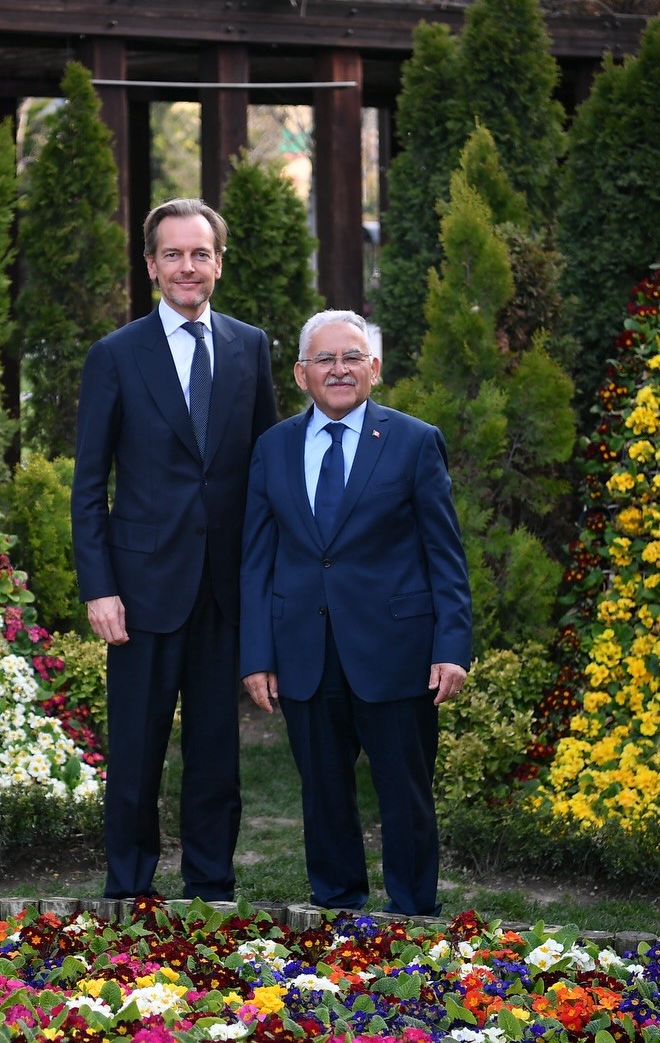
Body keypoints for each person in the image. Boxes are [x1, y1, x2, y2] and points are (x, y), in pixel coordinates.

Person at [72, 197, 279, 901]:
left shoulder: (250, 347)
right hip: (140, 591)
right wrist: (99, 587)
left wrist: (264, 587)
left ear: (219, 262)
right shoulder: (116, 355)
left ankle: (211, 886)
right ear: (152, 265)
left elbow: (266, 469)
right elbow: (89, 482)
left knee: (217, 756)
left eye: (200, 253)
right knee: (135, 753)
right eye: (173, 254)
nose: (187, 267)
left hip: (222, 591)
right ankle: (128, 889)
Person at [239, 308, 473, 916]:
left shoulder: (415, 441)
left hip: (396, 650)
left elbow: (443, 553)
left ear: (374, 368)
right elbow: (257, 560)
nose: (339, 370)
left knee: (405, 791)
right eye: (325, 359)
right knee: (323, 793)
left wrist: (452, 645)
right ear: (300, 374)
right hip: (304, 651)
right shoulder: (273, 448)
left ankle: (413, 911)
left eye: (352, 358)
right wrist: (257, 655)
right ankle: (337, 907)